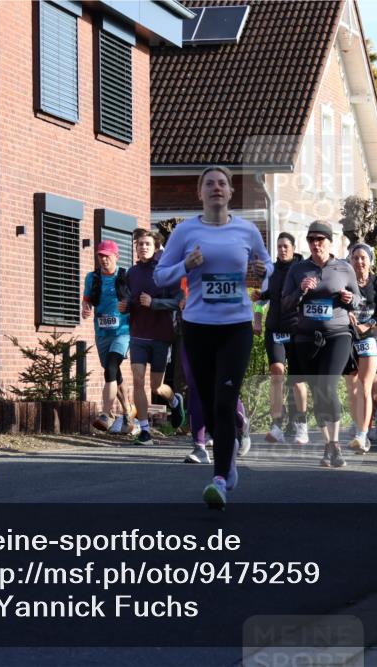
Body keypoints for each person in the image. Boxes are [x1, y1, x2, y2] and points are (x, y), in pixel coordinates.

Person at [154, 166, 271, 509]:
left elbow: (270, 268)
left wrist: (265, 274)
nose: (216, 188)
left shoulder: (247, 230)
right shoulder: (186, 231)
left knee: (223, 400)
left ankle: (219, 479)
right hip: (197, 326)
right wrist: (186, 266)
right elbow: (162, 276)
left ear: (231, 192)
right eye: (210, 184)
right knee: (205, 403)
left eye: (222, 183)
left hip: (236, 326)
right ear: (199, 192)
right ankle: (229, 450)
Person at [282, 221, 359, 468]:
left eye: (320, 239)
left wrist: (350, 298)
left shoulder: (344, 268)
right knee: (317, 391)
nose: (316, 244)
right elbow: (284, 304)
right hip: (306, 337)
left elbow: (359, 299)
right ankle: (329, 445)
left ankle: (335, 443)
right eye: (311, 240)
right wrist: (300, 291)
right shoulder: (298, 270)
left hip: (338, 334)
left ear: (330, 242)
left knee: (327, 384)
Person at [125, 231, 185, 445]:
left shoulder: (166, 272)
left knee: (156, 386)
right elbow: (129, 299)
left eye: (147, 244)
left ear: (156, 246)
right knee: (138, 380)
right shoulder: (131, 273)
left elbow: (178, 302)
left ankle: (174, 399)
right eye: (140, 244)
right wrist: (125, 306)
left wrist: (154, 303)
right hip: (138, 335)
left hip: (161, 335)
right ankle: (145, 430)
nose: (143, 247)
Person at [252, 232, 309, 445]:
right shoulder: (271, 271)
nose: (282, 250)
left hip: (297, 330)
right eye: (279, 246)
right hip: (275, 329)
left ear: (294, 247)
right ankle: (277, 425)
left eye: (286, 246)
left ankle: (301, 424)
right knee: (277, 373)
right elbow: (261, 298)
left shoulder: (303, 269)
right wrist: (257, 319)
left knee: (297, 379)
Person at [83, 240, 135, 435]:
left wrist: (128, 306)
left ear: (116, 257)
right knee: (114, 373)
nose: (104, 259)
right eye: (100, 256)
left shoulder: (124, 276)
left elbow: (134, 299)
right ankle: (128, 411)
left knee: (111, 367)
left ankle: (106, 414)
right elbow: (87, 299)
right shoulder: (92, 277)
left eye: (107, 256)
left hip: (122, 331)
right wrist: (85, 308)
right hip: (102, 332)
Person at [345, 242, 377, 453]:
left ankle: (362, 435)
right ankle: (358, 425)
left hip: (371, 335)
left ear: (370, 261)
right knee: (351, 390)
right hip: (349, 337)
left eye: (363, 258)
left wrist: (369, 325)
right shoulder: (344, 283)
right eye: (355, 258)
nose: (359, 262)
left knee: (365, 385)